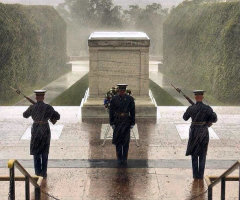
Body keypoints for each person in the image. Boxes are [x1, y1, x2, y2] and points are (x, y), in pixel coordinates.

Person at [23, 90, 60, 178]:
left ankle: (37, 173)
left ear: (36, 97)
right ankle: (44, 173)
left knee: (36, 152)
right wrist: (51, 116)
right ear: (43, 97)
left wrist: (32, 108)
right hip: (45, 129)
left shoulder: (32, 107)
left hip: (36, 129)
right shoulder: (48, 107)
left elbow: (25, 115)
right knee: (44, 152)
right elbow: (58, 116)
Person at [183, 90, 217, 179]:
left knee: (194, 154)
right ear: (202, 97)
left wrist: (190, 109)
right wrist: (208, 121)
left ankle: (195, 175)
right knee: (202, 154)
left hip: (194, 132)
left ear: (195, 97)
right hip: (203, 132)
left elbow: (185, 118)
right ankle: (200, 176)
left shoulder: (191, 108)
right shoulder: (207, 108)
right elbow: (214, 119)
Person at [109, 84, 135, 166]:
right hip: (118, 121)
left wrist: (132, 123)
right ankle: (119, 158)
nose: (122, 92)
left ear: (125, 90)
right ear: (118, 90)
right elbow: (111, 111)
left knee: (126, 141)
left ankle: (125, 158)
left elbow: (133, 111)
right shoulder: (114, 99)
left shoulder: (130, 99)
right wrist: (111, 122)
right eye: (121, 90)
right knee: (118, 141)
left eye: (123, 90)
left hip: (126, 121)